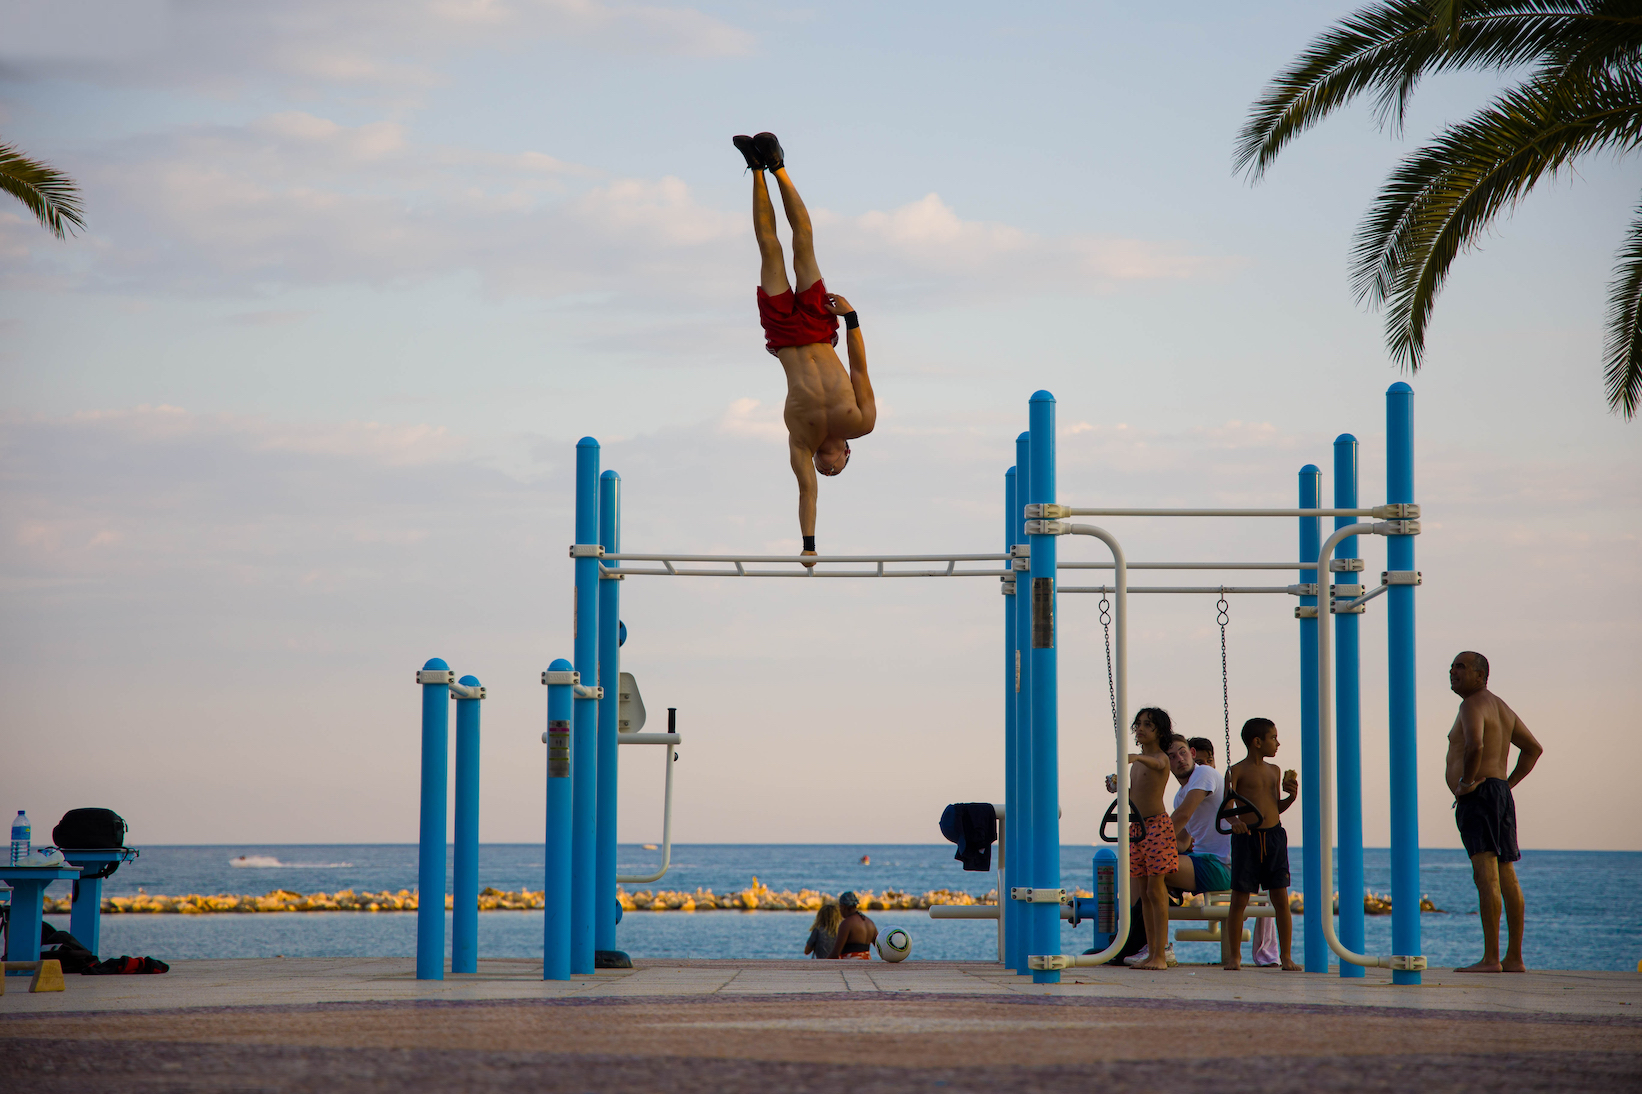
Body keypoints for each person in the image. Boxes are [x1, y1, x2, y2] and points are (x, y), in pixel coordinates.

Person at [733, 132, 877, 564]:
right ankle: (778, 165)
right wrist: (851, 320)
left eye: (825, 470)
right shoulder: (861, 423)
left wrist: (808, 548)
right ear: (848, 454)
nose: (828, 471)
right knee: (803, 243)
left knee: (770, 249)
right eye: (837, 469)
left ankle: (756, 170)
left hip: (782, 336)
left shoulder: (801, 442)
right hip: (818, 328)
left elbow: (806, 493)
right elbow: (860, 372)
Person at [1446, 650, 1542, 973]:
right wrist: (1507, 784)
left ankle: (1491, 959)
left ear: (1480, 676)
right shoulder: (1502, 708)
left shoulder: (1471, 705)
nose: (1453, 671)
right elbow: (1533, 749)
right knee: (1506, 873)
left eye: (1461, 667)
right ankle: (1514, 957)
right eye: (1452, 666)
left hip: (1479, 796)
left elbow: (1475, 745)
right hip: (1497, 792)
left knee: (1485, 874)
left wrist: (1466, 782)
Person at [1224, 717, 1300, 971]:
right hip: (1247, 839)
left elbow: (1274, 807)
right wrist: (1235, 821)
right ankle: (1235, 956)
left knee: (1280, 899)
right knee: (1239, 900)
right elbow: (1226, 808)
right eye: (1273, 738)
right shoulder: (1236, 771)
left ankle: (1286, 956)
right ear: (1257, 742)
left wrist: (1291, 796)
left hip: (1274, 837)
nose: (1278, 743)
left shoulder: (1275, 771)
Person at [1125, 707, 1178, 971]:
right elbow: (1136, 793)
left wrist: (1137, 757)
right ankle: (1151, 950)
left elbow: (1158, 764)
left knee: (1157, 892)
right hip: (1137, 828)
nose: (1141, 729)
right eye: (1139, 724)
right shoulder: (1137, 763)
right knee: (1144, 893)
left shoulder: (1158, 758)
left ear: (1160, 731)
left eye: (1148, 725)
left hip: (1157, 827)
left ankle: (1161, 953)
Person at [829, 890, 878, 959]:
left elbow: (835, 954)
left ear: (843, 907)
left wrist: (821, 966)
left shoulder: (846, 924)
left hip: (851, 964)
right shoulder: (870, 922)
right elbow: (881, 948)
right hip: (867, 963)